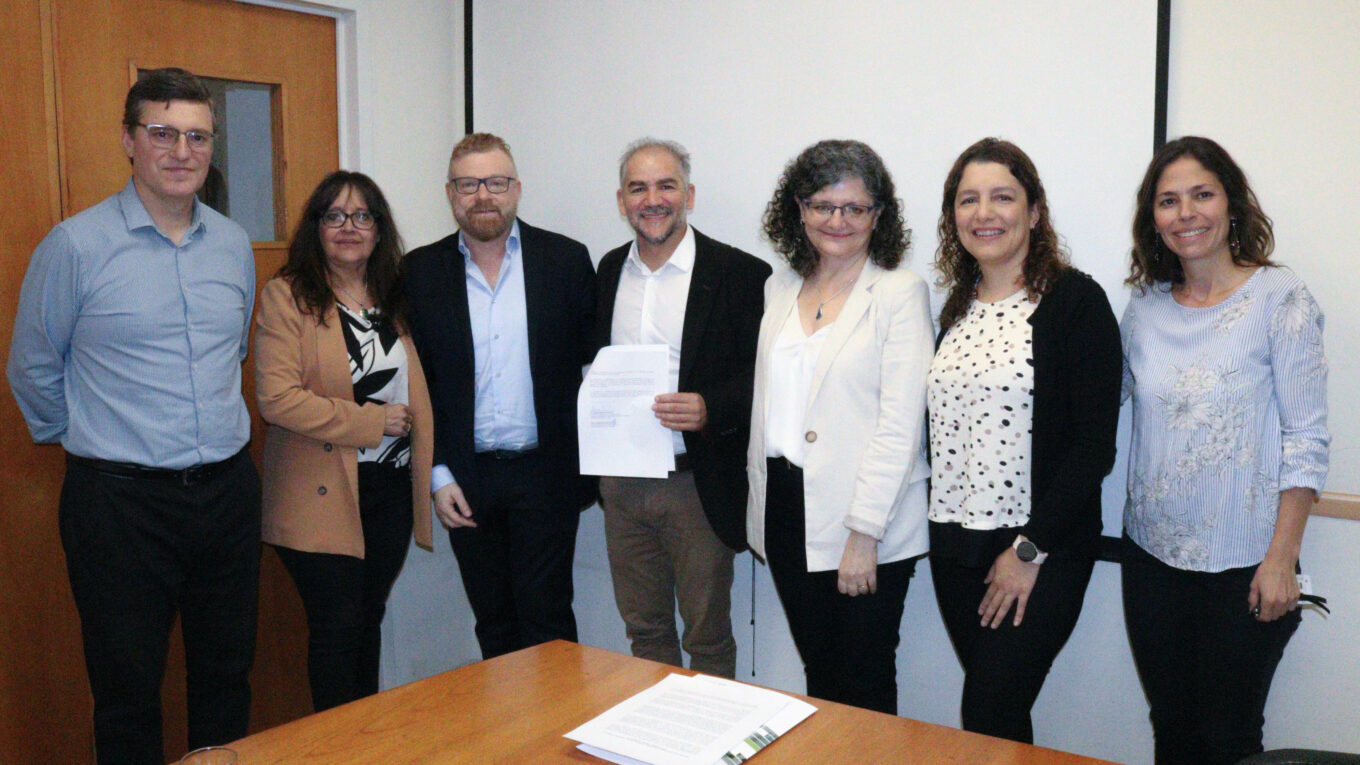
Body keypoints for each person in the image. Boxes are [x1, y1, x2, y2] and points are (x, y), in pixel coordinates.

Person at [7, 67, 259, 763]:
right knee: (126, 691)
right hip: (118, 505)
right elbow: (31, 367)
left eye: (198, 136)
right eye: (163, 133)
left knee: (226, 677)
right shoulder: (75, 245)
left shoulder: (235, 247)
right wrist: (92, 438)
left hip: (227, 494)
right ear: (129, 140)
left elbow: (231, 352)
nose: (182, 151)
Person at [1121, 136, 1329, 765]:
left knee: (1230, 738)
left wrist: (1281, 559)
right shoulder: (1144, 309)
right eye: (1168, 201)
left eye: (1201, 195)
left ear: (1231, 204)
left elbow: (1307, 438)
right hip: (1152, 559)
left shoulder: (1280, 298)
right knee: (1173, 732)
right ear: (1152, 219)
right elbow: (1113, 410)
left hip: (1247, 563)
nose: (1185, 213)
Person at [926, 138, 1121, 742]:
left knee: (988, 710)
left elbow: (1094, 447)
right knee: (997, 720)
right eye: (968, 200)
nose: (984, 213)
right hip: (955, 547)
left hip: (1041, 550)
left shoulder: (1075, 302)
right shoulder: (956, 307)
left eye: (1002, 197)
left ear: (1034, 212)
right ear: (952, 217)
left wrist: (1030, 549)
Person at [746, 139, 933, 714]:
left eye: (855, 208)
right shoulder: (779, 289)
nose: (838, 221)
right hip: (784, 505)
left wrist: (864, 531)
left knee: (865, 680)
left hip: (864, 517)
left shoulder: (899, 293)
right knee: (821, 673)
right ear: (799, 209)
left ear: (879, 215)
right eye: (823, 205)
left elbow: (901, 425)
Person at [404, 133, 596, 659]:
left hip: (546, 474)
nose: (482, 195)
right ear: (450, 193)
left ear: (517, 188)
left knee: (549, 621)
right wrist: (437, 473)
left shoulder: (565, 260)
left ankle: (553, 737)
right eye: (468, 184)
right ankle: (507, 739)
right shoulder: (419, 273)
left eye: (496, 182)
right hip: (464, 478)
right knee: (492, 623)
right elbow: (420, 387)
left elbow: (592, 366)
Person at [254, 171, 434, 711]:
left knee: (368, 619)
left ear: (379, 229)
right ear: (317, 228)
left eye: (362, 216)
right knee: (336, 629)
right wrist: (371, 422)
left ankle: (364, 741)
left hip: (390, 489)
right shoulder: (288, 296)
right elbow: (277, 399)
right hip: (321, 495)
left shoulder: (394, 296)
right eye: (334, 216)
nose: (348, 228)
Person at [593, 138, 771, 678]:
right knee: (644, 629)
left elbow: (767, 376)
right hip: (622, 483)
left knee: (707, 635)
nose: (653, 199)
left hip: (697, 484)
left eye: (666, 185)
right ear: (621, 200)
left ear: (688, 194)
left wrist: (710, 407)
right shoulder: (606, 272)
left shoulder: (741, 274)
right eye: (638, 187)